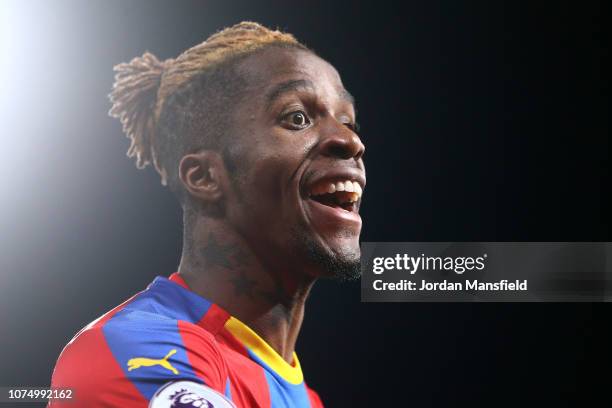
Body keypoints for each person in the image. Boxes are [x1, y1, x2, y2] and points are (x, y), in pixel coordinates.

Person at [49, 21, 365, 408]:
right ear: (204, 177)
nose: (351, 141)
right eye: (297, 117)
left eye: (347, 121)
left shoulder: (306, 399)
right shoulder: (135, 351)